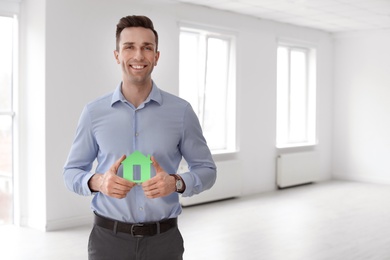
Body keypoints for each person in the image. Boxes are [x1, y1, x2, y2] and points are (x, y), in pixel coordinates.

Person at [63, 15, 217, 260]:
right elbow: (71, 172)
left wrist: (176, 183)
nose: (138, 56)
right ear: (117, 55)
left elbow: (207, 170)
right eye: (129, 47)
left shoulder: (181, 112)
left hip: (163, 242)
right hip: (107, 241)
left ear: (156, 56)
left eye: (147, 48)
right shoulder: (94, 112)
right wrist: (99, 182)